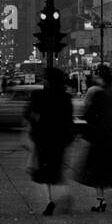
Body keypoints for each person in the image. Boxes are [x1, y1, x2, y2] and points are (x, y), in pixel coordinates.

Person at [76, 64, 112, 211]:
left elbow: (89, 116)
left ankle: (101, 200)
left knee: (97, 172)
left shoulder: (99, 94)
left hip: (100, 140)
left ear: (101, 78)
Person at [26, 68, 75, 215]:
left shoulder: (38, 95)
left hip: (43, 137)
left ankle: (49, 200)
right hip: (59, 138)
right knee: (58, 168)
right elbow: (68, 119)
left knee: (44, 169)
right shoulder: (66, 97)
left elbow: (29, 114)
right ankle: (64, 194)